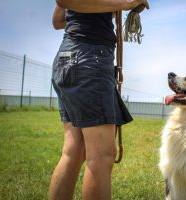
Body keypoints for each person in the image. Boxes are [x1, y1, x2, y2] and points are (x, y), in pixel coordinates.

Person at [49, 1, 149, 200]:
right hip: (89, 58)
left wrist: (113, 8)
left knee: (73, 152)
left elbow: (59, 20)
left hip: (69, 57)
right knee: (101, 157)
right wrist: (127, 3)